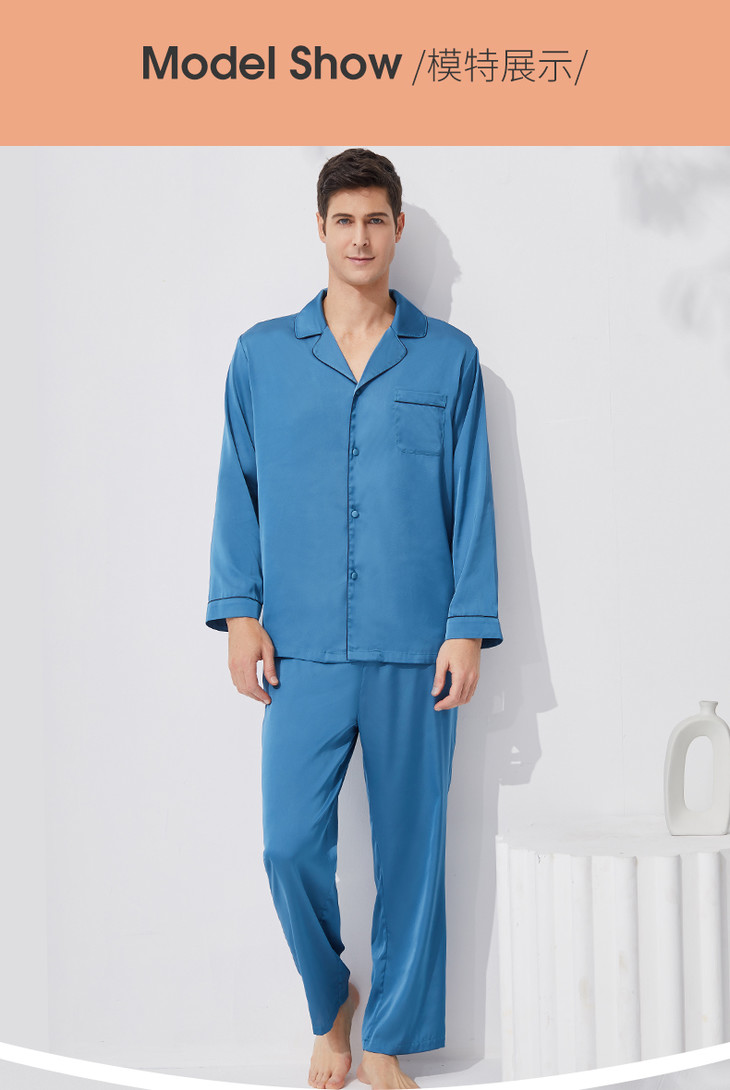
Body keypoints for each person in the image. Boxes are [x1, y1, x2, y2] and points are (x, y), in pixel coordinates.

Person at [206, 148, 503, 1090]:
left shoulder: (448, 359)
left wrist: (467, 624)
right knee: (287, 843)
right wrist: (239, 614)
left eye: (376, 219)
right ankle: (330, 999)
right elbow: (238, 489)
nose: (361, 237)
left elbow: (473, 499)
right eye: (345, 221)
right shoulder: (262, 356)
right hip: (298, 649)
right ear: (321, 229)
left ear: (398, 228)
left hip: (417, 645)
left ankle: (386, 1043)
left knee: (415, 853)